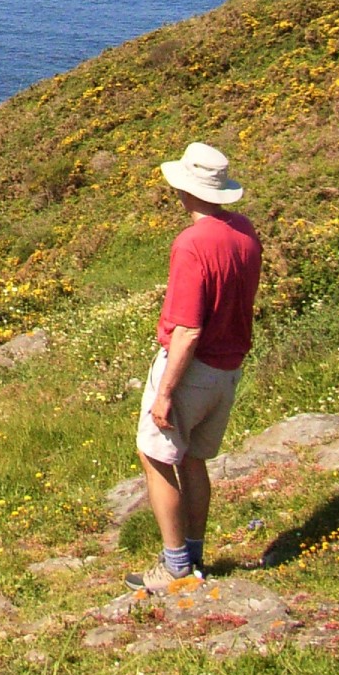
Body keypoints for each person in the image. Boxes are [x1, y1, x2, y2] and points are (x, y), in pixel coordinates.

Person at [127, 142, 261, 595]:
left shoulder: (192, 244)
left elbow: (186, 329)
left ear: (185, 190)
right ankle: (196, 553)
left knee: (156, 456)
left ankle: (176, 567)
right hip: (229, 370)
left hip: (193, 370)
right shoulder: (245, 232)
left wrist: (165, 392)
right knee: (195, 460)